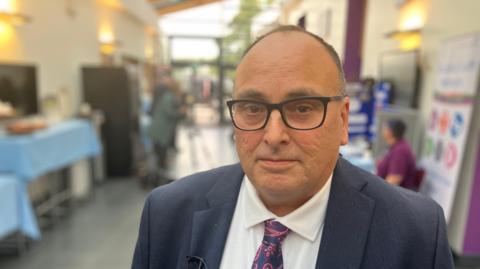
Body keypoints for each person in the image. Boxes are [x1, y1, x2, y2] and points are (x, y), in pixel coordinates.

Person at [132, 25, 453, 269]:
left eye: (302, 108)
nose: (273, 135)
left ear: (342, 120)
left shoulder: (415, 233)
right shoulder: (168, 214)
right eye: (253, 108)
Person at [376, 119, 418, 190]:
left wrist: (376, 191)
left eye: (384, 129)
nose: (382, 131)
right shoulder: (395, 147)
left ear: (389, 132)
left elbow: (394, 179)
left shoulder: (400, 151)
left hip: (395, 196)